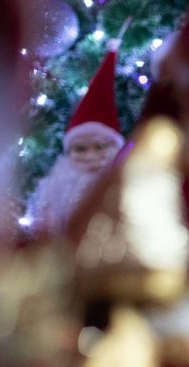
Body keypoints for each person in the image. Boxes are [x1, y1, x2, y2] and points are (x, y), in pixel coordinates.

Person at [28, 43, 126, 235]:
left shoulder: (124, 184)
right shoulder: (55, 187)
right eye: (80, 149)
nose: (90, 155)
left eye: (100, 146)